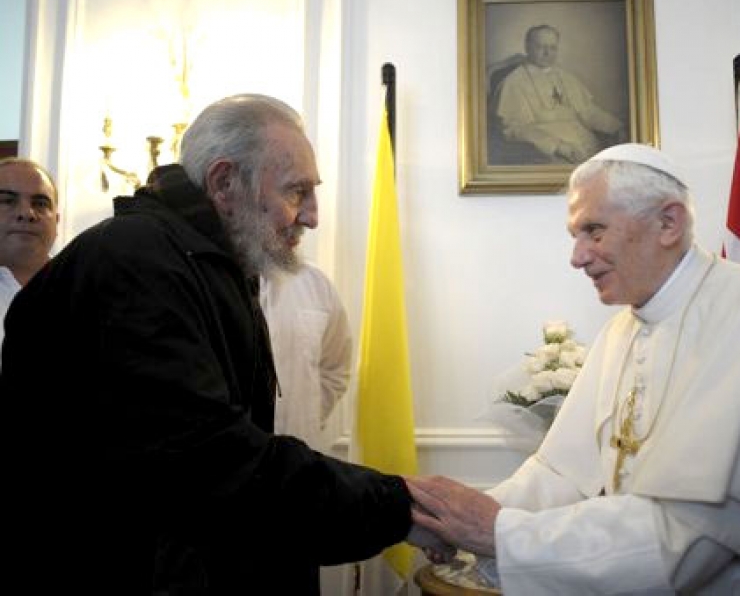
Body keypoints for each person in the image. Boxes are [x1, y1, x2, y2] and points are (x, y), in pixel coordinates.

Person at [407, 143, 740, 594]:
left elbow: (687, 540)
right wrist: (452, 515)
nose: (577, 257)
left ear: (668, 223)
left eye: (593, 230)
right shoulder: (623, 331)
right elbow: (562, 472)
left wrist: (500, 532)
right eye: (575, 235)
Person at [0, 94, 429, 595]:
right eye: (298, 192)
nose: (311, 216)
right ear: (225, 183)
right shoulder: (136, 262)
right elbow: (208, 462)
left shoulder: (201, 263)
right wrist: (399, 505)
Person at [493, 24, 625, 164]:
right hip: (548, 154)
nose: (547, 53)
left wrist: (616, 127)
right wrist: (557, 146)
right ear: (527, 47)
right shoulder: (513, 82)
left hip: (587, 145)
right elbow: (515, 129)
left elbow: (588, 112)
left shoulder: (566, 77)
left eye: (552, 48)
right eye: (540, 47)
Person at [260, 264, 353, 453]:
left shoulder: (318, 287)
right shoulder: (215, 281)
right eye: (284, 230)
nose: (303, 232)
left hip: (303, 453)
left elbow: (335, 369)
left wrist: (307, 416)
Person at [0, 157, 59, 347]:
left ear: (56, 221)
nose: (27, 213)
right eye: (7, 201)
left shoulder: (92, 290)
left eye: (41, 203)